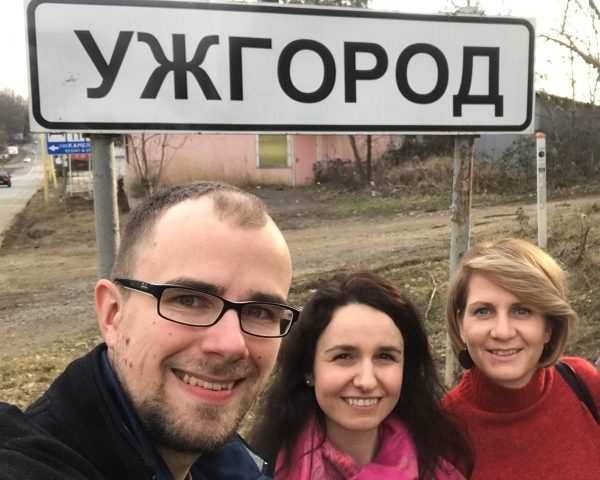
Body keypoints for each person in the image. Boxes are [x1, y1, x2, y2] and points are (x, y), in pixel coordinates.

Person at [0, 181, 299, 480]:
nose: (231, 344)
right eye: (189, 300)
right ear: (113, 314)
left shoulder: (232, 465)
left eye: (260, 312)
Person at [249, 271, 472, 480]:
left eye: (385, 356)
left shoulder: (442, 471)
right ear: (309, 369)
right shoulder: (255, 471)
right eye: (344, 356)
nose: (366, 381)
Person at [442, 237, 600, 480]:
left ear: (548, 327)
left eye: (522, 311)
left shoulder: (584, 383)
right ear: (461, 325)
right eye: (483, 311)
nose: (503, 332)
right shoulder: (442, 430)